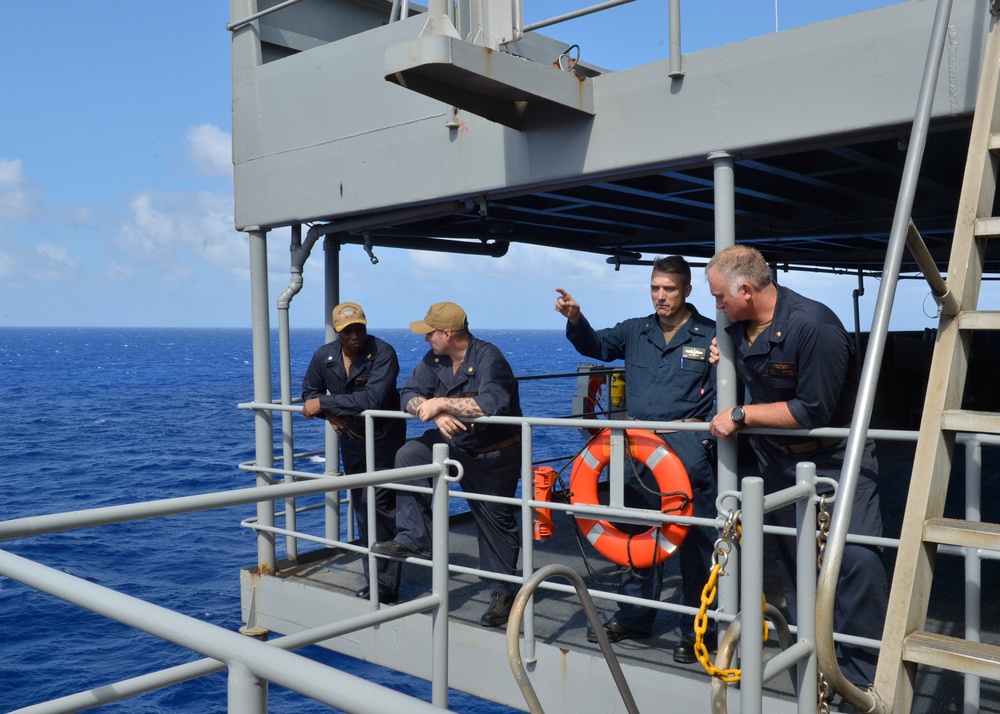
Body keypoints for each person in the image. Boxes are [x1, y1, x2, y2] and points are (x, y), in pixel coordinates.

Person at [705, 244, 888, 688]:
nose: (716, 306)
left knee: (856, 561)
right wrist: (721, 354)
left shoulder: (815, 326)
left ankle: (863, 677)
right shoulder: (737, 328)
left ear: (746, 290)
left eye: (719, 297)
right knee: (797, 563)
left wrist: (741, 415)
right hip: (778, 463)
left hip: (835, 460)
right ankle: (816, 671)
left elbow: (814, 410)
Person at [554, 255, 717, 665]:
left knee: (697, 548)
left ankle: (696, 631)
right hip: (639, 453)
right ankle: (634, 617)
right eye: (655, 288)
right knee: (633, 537)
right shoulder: (635, 331)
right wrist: (576, 319)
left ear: (687, 291)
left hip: (687, 450)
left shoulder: (711, 336)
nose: (661, 296)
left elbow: (726, 394)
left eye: (670, 289)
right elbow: (597, 345)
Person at [371, 302, 522, 628]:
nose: (426, 340)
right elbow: (408, 392)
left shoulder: (488, 357)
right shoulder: (435, 359)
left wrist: (441, 401)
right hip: (457, 445)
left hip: (494, 454)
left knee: (494, 521)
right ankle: (414, 539)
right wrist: (434, 410)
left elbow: (493, 402)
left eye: (430, 334)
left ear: (448, 333)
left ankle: (503, 592)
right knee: (409, 455)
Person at [301, 301, 404, 605]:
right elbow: (310, 393)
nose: (355, 335)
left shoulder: (384, 353)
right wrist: (329, 416)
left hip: (385, 439)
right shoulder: (325, 355)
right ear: (337, 332)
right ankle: (374, 578)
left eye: (359, 327)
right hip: (353, 439)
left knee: (384, 507)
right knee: (361, 506)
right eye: (347, 330)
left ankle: (387, 586)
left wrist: (326, 405)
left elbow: (371, 398)